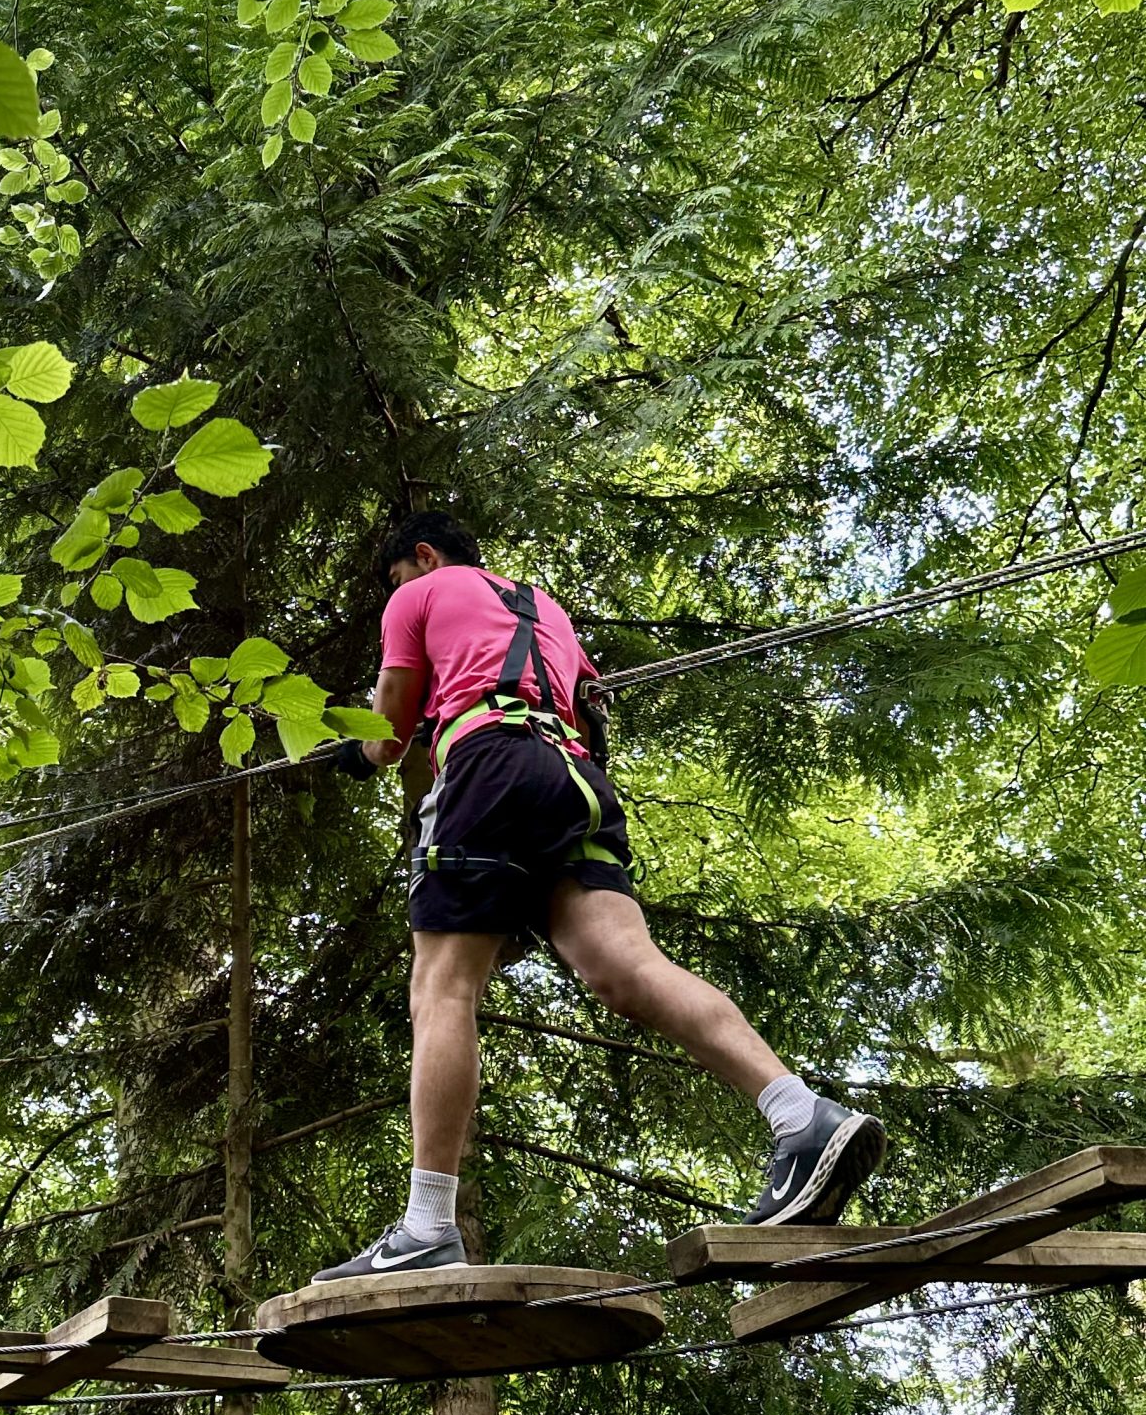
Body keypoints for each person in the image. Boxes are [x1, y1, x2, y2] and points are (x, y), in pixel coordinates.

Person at [315, 510, 886, 1280]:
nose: (397, 589)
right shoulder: (547, 611)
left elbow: (386, 733)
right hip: (575, 777)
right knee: (626, 968)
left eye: (397, 575)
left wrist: (357, 753)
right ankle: (800, 1113)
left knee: (442, 987)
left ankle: (427, 1225)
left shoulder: (419, 594)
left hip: (488, 766)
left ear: (423, 556)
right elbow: (586, 710)